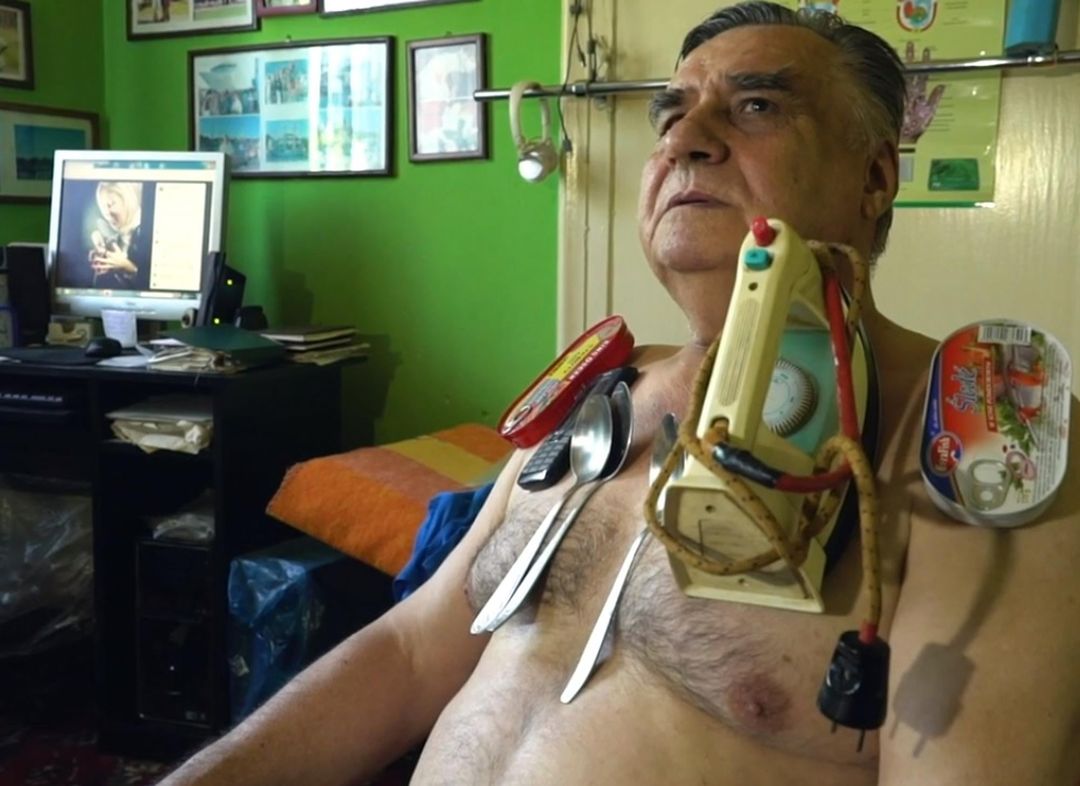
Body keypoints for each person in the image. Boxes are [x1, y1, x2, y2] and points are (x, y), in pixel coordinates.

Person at [161, 4, 1080, 784]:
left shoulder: (980, 442)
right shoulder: (598, 395)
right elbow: (409, 654)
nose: (684, 138)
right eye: (672, 115)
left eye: (756, 106)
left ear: (876, 175)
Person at [87, 181, 150, 291]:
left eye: (110, 204)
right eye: (102, 207)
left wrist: (129, 268)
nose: (106, 213)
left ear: (127, 200)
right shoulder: (115, 241)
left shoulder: (150, 235)